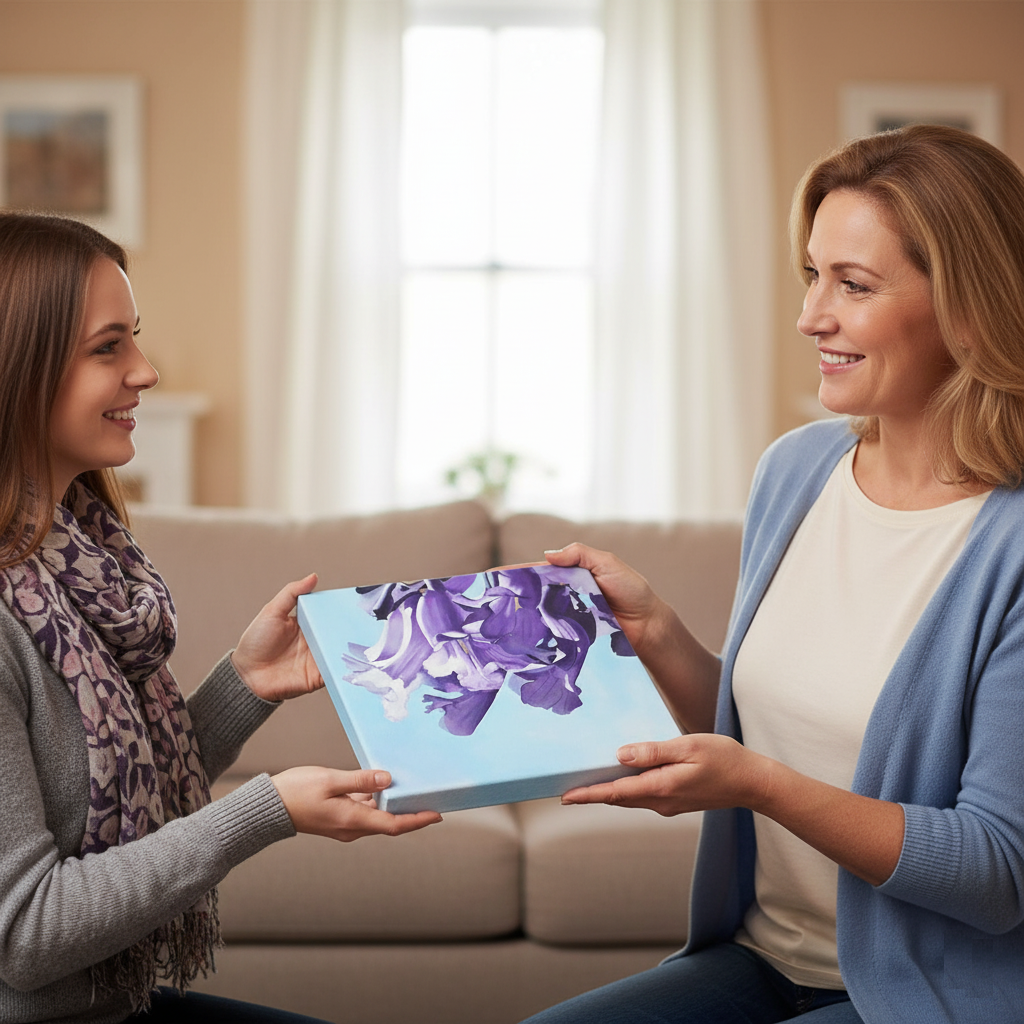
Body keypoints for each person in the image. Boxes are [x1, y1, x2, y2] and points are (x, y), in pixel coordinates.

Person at [522, 124, 1024, 1023]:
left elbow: (996, 869)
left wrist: (758, 786)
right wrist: (661, 637)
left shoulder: (1010, 550)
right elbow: (767, 730)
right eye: (812, 274)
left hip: (931, 993)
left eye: (853, 285)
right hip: (761, 958)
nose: (810, 316)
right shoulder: (795, 472)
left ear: (969, 308)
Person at [0, 212, 442, 1024]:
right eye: (108, 348)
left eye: (135, 339)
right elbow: (25, 935)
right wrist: (265, 811)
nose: (146, 371)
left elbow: (118, 799)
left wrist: (243, 686)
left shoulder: (79, 564)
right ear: (15, 368)